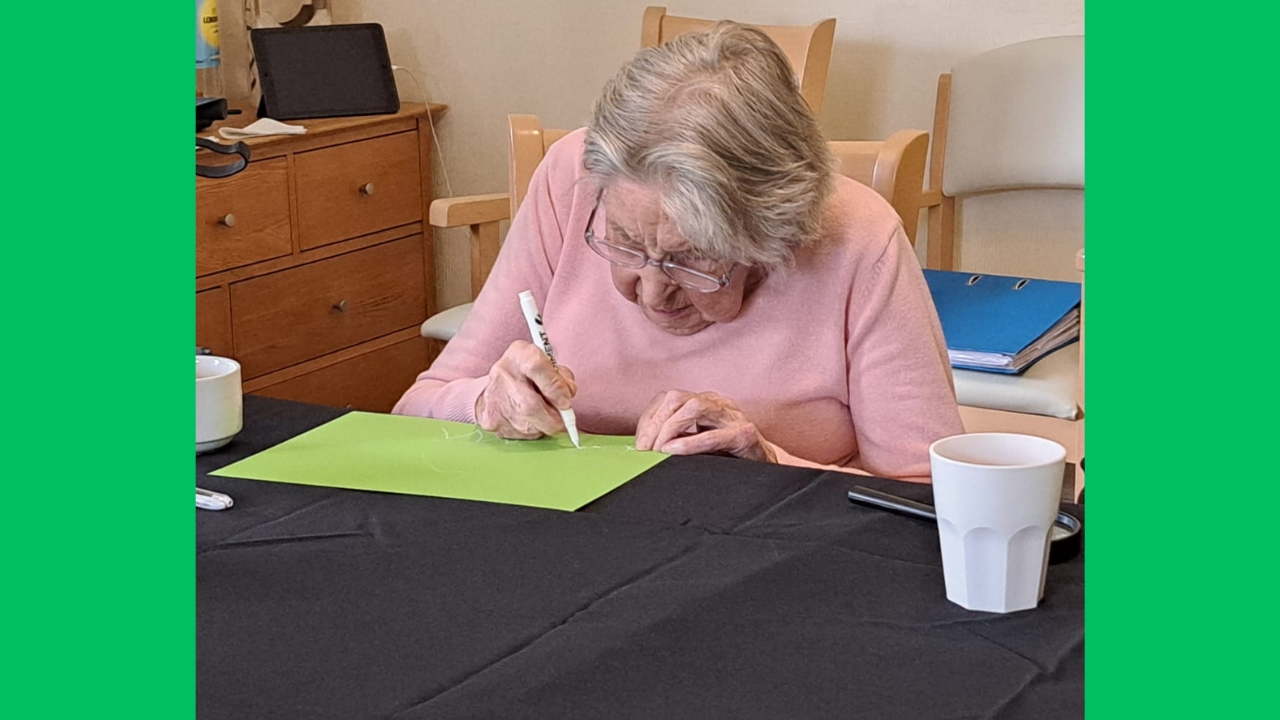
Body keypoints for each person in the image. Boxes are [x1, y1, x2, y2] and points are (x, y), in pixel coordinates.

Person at [395, 23, 963, 481]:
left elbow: (927, 495)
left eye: (690, 259)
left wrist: (770, 464)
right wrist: (484, 406)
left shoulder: (859, 238)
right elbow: (417, 410)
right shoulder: (574, 179)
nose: (647, 289)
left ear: (774, 237)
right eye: (623, 244)